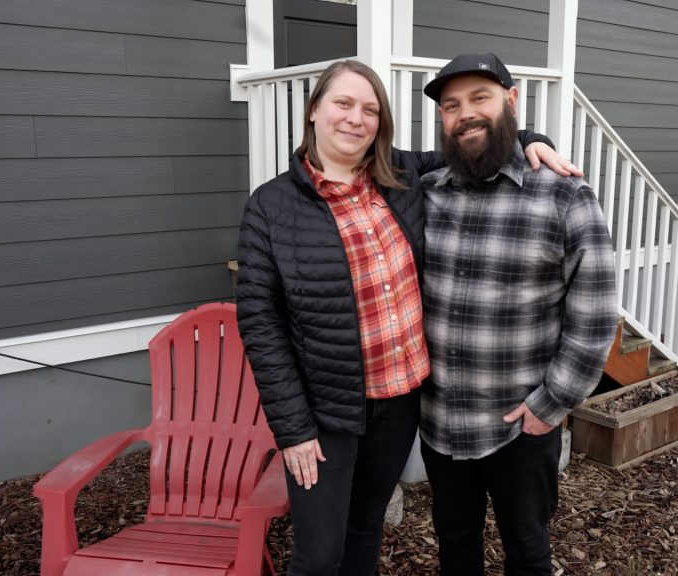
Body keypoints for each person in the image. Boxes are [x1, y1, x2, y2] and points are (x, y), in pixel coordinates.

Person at [236, 59, 577, 576]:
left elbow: (474, 139)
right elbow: (260, 325)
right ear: (314, 111)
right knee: (317, 552)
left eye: (369, 109)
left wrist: (530, 136)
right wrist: (293, 429)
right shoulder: (271, 207)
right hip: (325, 411)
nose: (356, 119)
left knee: (366, 526)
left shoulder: (400, 175)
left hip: (398, 404)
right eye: (343, 104)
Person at [418, 53, 618, 575]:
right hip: (440, 422)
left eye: (480, 98)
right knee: (454, 546)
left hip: (520, 425)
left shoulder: (565, 197)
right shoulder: (425, 195)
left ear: (511, 101)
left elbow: (595, 315)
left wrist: (550, 405)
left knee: (527, 553)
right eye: (451, 105)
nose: (465, 114)